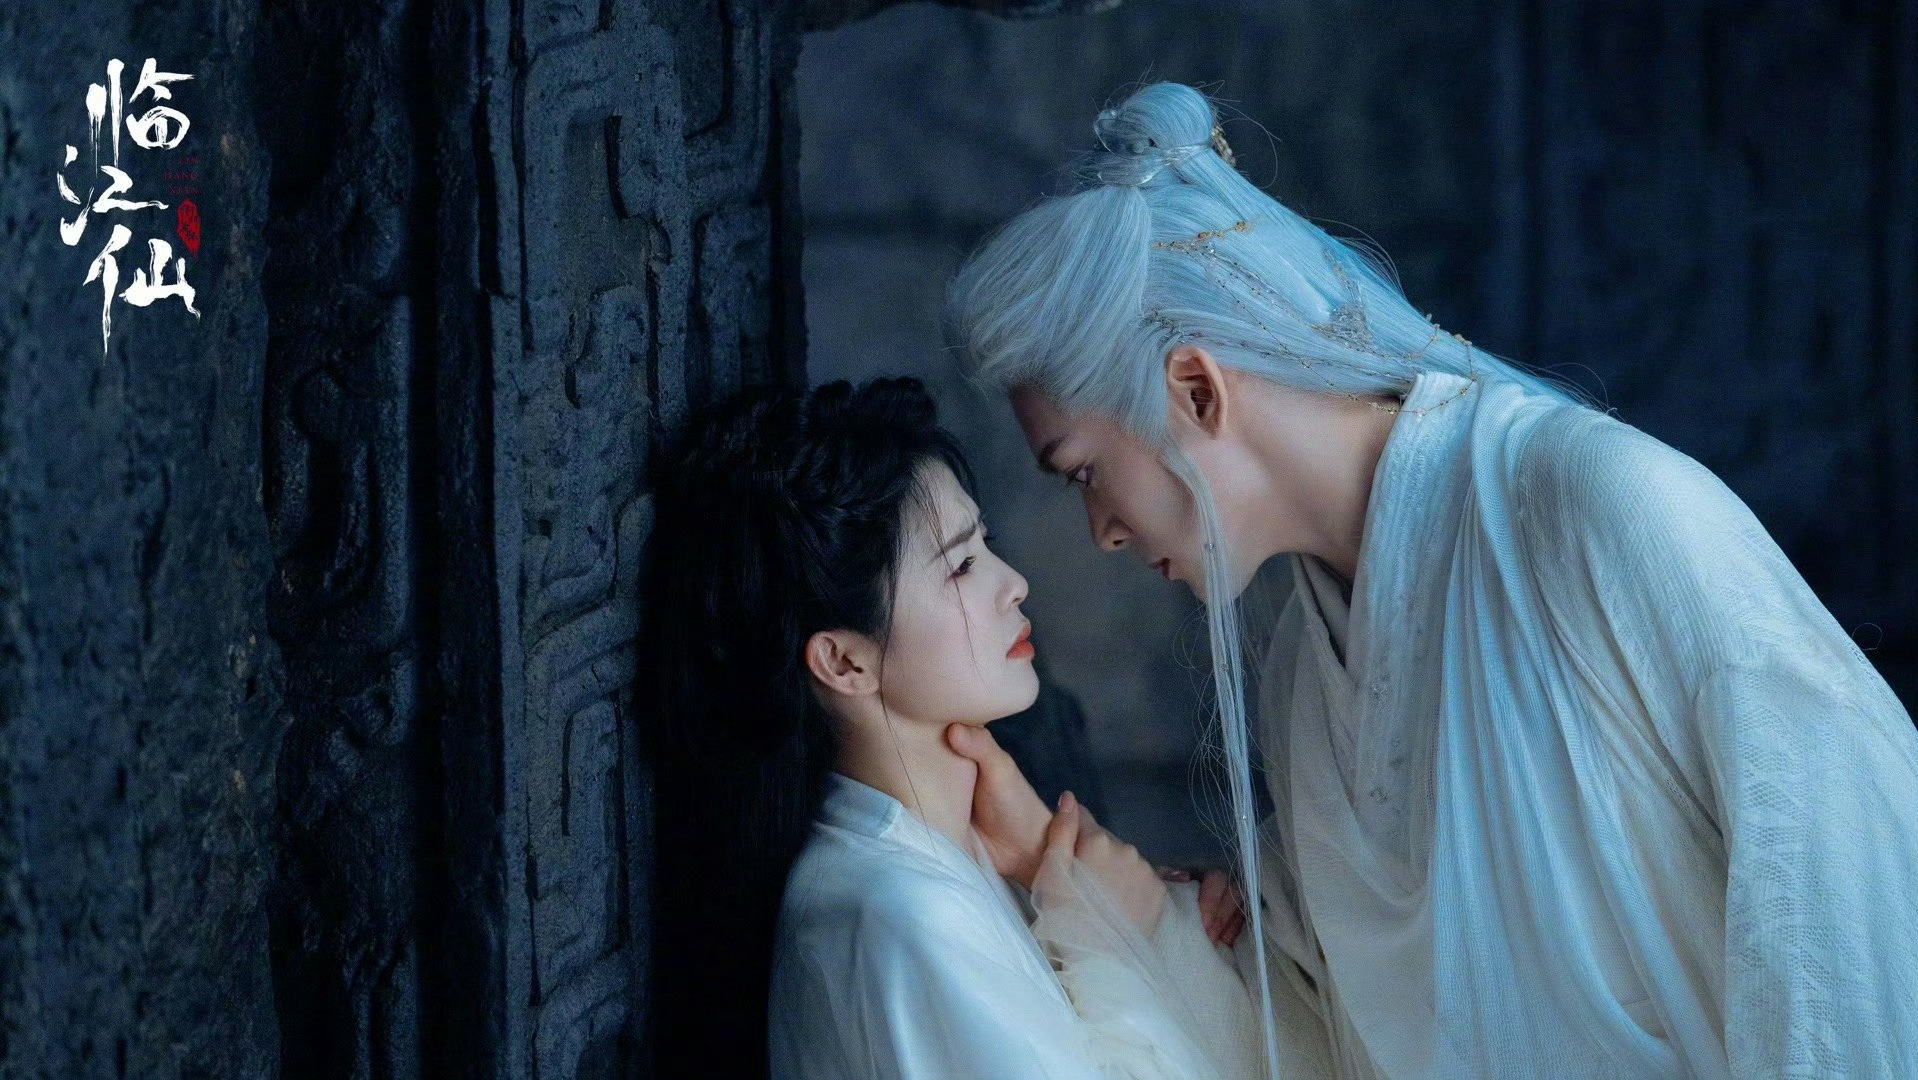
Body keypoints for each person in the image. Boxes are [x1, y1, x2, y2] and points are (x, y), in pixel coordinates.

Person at [942, 81, 1918, 1080]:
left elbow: (1853, 896)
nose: (1102, 531)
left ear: (1195, 389)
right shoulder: (1306, 672)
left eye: (1083, 472)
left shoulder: (1600, 505)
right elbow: (1334, 1039)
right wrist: (1129, 912)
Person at [645, 377, 1268, 1080]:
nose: (1014, 583)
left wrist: (1104, 897)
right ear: (845, 662)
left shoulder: (961, 857)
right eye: (962, 565)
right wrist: (1121, 933)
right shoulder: (897, 915)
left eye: (987, 544)